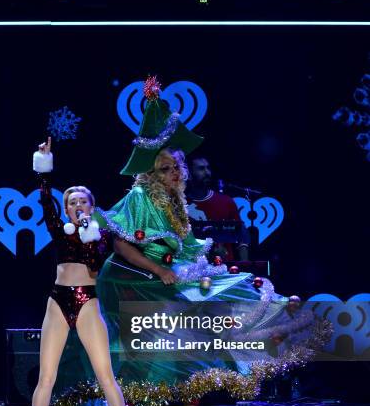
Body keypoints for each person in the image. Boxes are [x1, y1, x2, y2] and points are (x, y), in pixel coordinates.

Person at [94, 77, 328, 389]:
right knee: (178, 330)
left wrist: (202, 263)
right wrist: (160, 269)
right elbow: (121, 247)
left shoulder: (176, 200)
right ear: (150, 173)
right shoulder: (140, 197)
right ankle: (162, 389)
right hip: (131, 278)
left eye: (177, 167)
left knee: (225, 289)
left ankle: (251, 352)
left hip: (162, 273)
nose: (174, 173)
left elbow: (183, 247)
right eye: (165, 169)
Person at [29, 137, 132, 406]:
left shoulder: (97, 237)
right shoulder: (60, 230)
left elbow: (94, 266)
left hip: (86, 301)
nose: (76, 205)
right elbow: (46, 201)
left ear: (92, 205)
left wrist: (89, 230)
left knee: (105, 376)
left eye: (82, 201)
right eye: (72, 202)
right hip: (58, 300)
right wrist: (44, 169)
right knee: (46, 376)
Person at [186, 155, 250, 262]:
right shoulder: (180, 204)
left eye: (208, 168)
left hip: (226, 270)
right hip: (193, 270)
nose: (207, 173)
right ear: (189, 174)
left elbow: (242, 237)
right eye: (201, 169)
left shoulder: (226, 201)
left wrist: (245, 266)